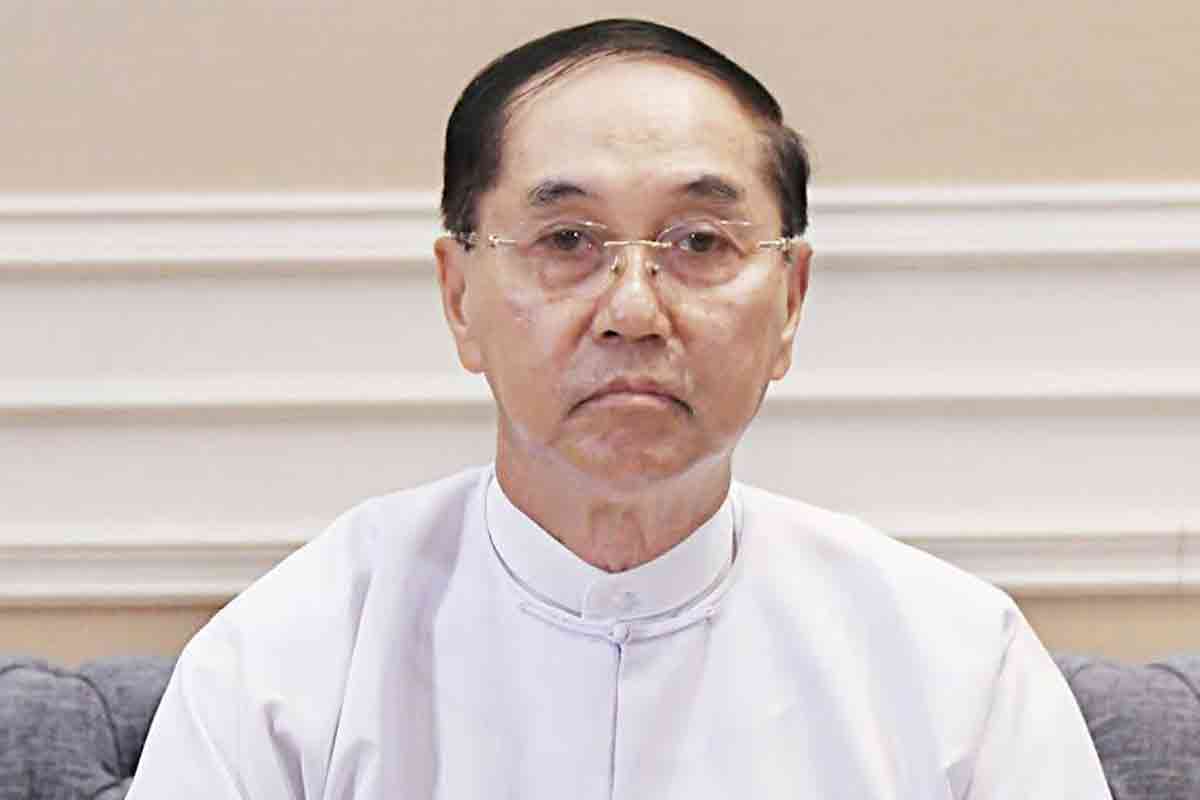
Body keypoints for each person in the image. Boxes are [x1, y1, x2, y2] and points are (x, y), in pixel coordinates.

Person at [128, 18, 1112, 798]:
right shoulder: (283, 664)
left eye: (700, 243)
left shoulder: (958, 667)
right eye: (566, 240)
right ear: (459, 296)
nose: (634, 311)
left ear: (790, 303)